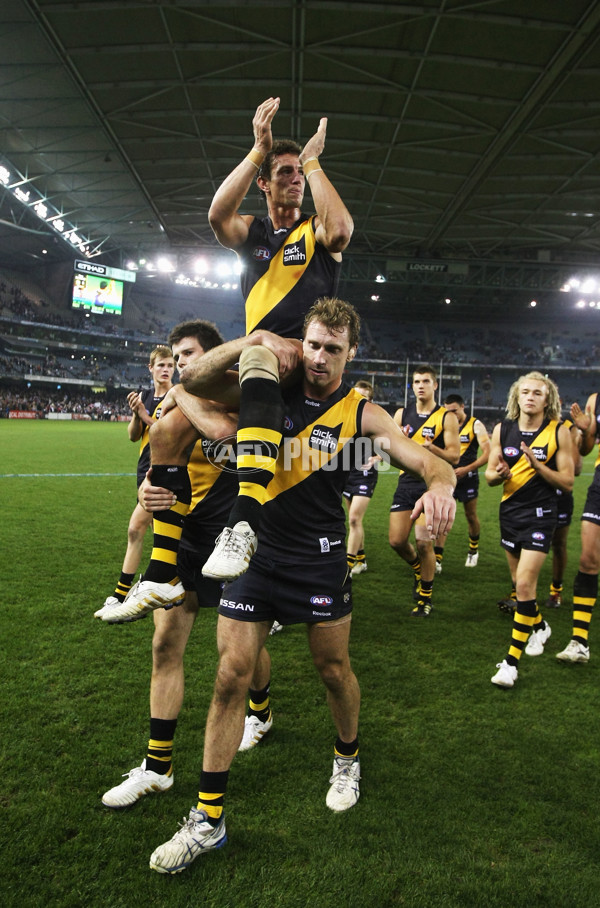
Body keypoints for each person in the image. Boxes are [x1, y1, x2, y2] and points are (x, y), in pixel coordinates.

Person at [147, 298, 456, 874]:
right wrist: (256, 343)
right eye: (312, 344)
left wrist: (440, 486)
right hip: (254, 554)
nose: (318, 358)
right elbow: (195, 379)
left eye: (332, 349)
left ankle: (346, 757)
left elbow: (427, 462)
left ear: (351, 353)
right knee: (228, 676)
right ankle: (207, 818)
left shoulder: (362, 413)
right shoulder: (269, 386)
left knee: (333, 669)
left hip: (317, 560)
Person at [108, 97, 354, 615]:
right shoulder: (253, 235)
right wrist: (257, 150)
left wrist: (312, 160)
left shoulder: (314, 232)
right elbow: (217, 214)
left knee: (257, 357)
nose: (294, 181)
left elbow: (342, 231)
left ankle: (242, 522)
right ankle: (162, 574)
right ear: (264, 183)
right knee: (169, 426)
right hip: (254, 362)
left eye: (298, 175)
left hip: (298, 363)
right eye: (283, 173)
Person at [99, 320, 273, 809]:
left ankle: (260, 712)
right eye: (176, 357)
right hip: (180, 542)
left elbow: (224, 432)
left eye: (191, 355)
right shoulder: (168, 405)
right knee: (164, 645)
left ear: (218, 361)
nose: (180, 364)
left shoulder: (242, 397)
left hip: (231, 546)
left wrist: (181, 390)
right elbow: (149, 470)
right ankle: (158, 767)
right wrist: (144, 491)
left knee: (238, 656)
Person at [487, 372, 574, 688]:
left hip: (541, 515)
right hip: (509, 513)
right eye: (525, 391)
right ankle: (540, 626)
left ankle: (510, 664)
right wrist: (499, 475)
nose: (531, 397)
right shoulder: (503, 429)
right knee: (518, 584)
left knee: (524, 586)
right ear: (516, 396)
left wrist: (539, 467)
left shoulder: (558, 432)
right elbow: (489, 477)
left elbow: (568, 481)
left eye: (538, 392)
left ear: (547, 398)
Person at [95, 345, 174, 618]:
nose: (166, 370)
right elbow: (133, 436)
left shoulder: (177, 396)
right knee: (176, 538)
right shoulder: (147, 396)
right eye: (161, 365)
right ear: (150, 368)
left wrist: (143, 414)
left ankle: (120, 595)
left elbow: (168, 433)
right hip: (145, 473)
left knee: (135, 529)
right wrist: (135, 413)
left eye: (170, 365)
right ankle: (174, 587)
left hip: (166, 474)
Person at [388, 366, 460, 616]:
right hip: (406, 483)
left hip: (431, 485)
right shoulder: (401, 414)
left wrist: (431, 448)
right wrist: (399, 443)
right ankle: (418, 568)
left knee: (423, 541)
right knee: (396, 541)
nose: (420, 385)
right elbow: (387, 450)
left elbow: (455, 455)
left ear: (435, 385)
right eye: (416, 381)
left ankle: (425, 598)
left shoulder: (446, 417)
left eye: (426, 381)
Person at [555, 391, 600, 663]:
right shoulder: (596, 399)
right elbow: (586, 449)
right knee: (588, 559)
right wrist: (584, 431)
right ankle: (579, 642)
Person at [433, 394, 490, 571]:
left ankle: (473, 550)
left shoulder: (475, 425)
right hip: (447, 478)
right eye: (448, 411)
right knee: (442, 516)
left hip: (468, 478)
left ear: (463, 407)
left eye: (454, 411)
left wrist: (467, 469)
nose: (451, 414)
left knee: (470, 515)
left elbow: (488, 453)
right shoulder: (443, 424)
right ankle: (437, 559)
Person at [343, 380, 379, 576]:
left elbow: (393, 441)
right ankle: (361, 560)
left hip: (365, 475)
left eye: (363, 397)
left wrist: (377, 457)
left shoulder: (375, 418)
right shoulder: (344, 416)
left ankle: (347, 566)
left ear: (370, 400)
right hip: (348, 474)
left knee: (355, 518)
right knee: (354, 521)